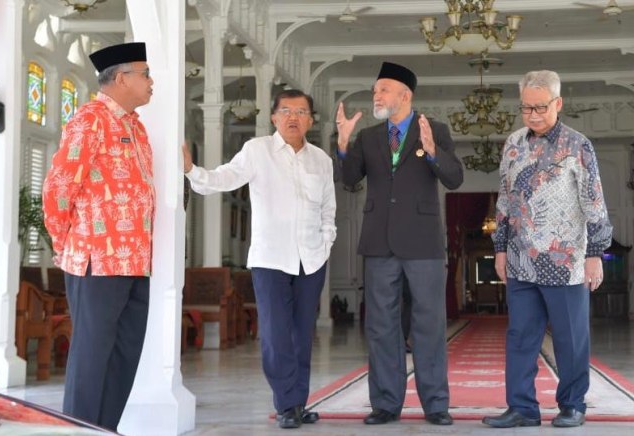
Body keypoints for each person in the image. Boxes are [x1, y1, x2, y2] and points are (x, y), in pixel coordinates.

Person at [182, 89, 336, 429]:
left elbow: (329, 211)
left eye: (300, 111)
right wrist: (193, 170)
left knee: (302, 333)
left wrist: (325, 245)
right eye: (285, 111)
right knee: (276, 334)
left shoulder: (321, 160)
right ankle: (285, 404)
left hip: (311, 260)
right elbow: (225, 177)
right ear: (274, 117)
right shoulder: (257, 151)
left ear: (311, 120)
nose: (293, 117)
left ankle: (298, 402)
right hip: (270, 259)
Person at [482, 70, 613, 429]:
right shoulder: (513, 144)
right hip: (522, 259)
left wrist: (594, 254)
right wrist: (501, 249)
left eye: (540, 107)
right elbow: (506, 200)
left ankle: (572, 405)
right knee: (520, 336)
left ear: (558, 103)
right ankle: (521, 408)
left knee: (571, 338)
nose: (533, 114)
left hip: (566, 260)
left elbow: (594, 203)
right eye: (526, 108)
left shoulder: (577, 145)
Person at [335, 62, 463, 426]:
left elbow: (454, 178)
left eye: (384, 90)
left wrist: (434, 152)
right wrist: (343, 143)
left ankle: (436, 404)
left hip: (423, 242)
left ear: (405, 95)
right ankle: (386, 404)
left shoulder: (435, 130)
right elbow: (349, 179)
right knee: (381, 326)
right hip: (378, 242)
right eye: (375, 90)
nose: (377, 95)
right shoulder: (369, 137)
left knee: (429, 325)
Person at [42, 42, 155, 431]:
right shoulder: (89, 119)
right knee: (91, 356)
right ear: (121, 78)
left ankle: (104, 428)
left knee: (125, 354)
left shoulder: (135, 126)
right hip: (97, 260)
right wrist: (67, 244)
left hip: (136, 259)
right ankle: (78, 429)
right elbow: (58, 188)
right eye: (144, 73)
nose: (150, 81)